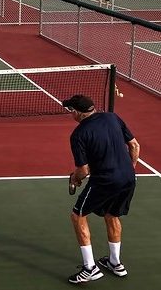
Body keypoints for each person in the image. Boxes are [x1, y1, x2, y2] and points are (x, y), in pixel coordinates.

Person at [62, 95, 140, 284]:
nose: (70, 114)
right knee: (112, 214)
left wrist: (74, 178)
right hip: (128, 177)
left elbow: (83, 170)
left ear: (77, 113)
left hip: (105, 180)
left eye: (70, 110)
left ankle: (90, 268)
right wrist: (129, 169)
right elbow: (135, 145)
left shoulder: (79, 134)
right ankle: (115, 262)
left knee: (78, 215)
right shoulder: (112, 117)